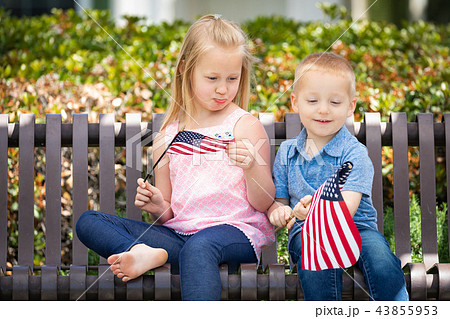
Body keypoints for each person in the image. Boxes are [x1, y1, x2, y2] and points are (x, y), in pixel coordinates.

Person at [75, 14, 275, 301]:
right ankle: (143, 252)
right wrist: (157, 205)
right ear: (185, 70)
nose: (223, 88)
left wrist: (252, 166)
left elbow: (263, 202)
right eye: (212, 78)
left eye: (233, 78)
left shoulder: (244, 125)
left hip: (236, 233)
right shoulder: (168, 137)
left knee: (200, 247)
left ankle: (162, 257)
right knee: (88, 221)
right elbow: (169, 214)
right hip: (181, 235)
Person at [267, 52, 409, 301]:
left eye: (334, 102)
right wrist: (279, 212)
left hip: (358, 228)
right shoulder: (287, 153)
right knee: (314, 255)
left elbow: (344, 209)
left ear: (350, 106)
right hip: (307, 232)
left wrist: (309, 211)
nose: (323, 109)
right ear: (295, 102)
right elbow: (279, 201)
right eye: (312, 100)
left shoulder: (355, 153)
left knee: (382, 262)